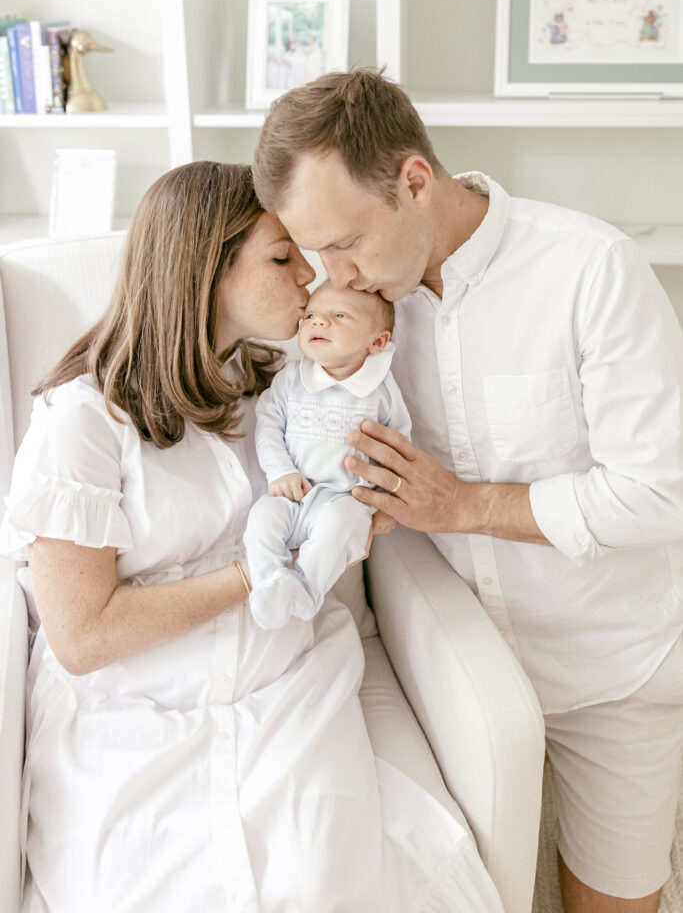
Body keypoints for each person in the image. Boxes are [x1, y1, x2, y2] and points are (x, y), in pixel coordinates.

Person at [0, 161, 505, 913]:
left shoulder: (271, 384)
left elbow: (347, 451)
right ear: (205, 269)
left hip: (281, 685)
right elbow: (82, 635)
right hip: (134, 709)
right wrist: (257, 574)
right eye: (280, 257)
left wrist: (369, 506)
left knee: (317, 883)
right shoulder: (81, 422)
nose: (309, 276)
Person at [252, 69, 683, 913]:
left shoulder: (588, 269)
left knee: (616, 897)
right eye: (312, 254)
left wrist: (466, 506)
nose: (329, 275)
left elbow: (660, 492)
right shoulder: (357, 309)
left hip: (612, 664)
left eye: (344, 244)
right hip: (450, 665)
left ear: (415, 181)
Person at [245, 280, 410, 630]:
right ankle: (269, 582)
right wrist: (280, 473)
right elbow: (268, 425)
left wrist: (384, 501)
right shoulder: (292, 378)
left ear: (376, 342)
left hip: (343, 499)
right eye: (311, 316)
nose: (318, 322)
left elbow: (398, 448)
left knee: (339, 528)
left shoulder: (381, 391)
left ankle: (306, 590)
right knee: (261, 519)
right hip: (293, 492)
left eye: (339, 315)